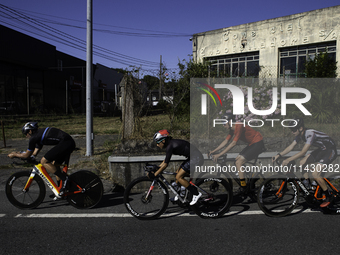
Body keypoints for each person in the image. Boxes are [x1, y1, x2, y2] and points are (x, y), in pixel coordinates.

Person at [272, 118, 337, 208]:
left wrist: (288, 160)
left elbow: (303, 152)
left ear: (301, 128)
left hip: (330, 150)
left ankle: (329, 196)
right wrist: (279, 155)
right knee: (302, 162)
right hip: (322, 150)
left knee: (315, 173)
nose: (292, 132)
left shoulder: (310, 133)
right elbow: (291, 146)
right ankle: (308, 186)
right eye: (291, 130)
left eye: (294, 129)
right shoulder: (299, 134)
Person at [8, 122, 76, 195]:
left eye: (26, 133)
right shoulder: (38, 136)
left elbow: (27, 155)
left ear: (30, 131)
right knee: (55, 165)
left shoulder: (34, 137)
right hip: (68, 142)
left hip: (66, 143)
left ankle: (65, 179)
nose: (26, 136)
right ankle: (61, 189)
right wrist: (25, 155)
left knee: (44, 161)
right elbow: (33, 153)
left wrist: (14, 154)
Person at [209, 113, 265, 194]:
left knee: (239, 162)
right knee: (236, 160)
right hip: (251, 144)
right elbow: (226, 141)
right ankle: (250, 179)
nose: (223, 125)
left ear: (230, 121)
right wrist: (213, 151)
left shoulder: (239, 126)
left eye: (224, 123)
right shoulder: (232, 129)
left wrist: (219, 154)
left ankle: (243, 187)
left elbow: (233, 143)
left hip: (257, 143)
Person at [150, 130, 204, 205]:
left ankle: (196, 193)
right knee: (177, 173)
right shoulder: (170, 144)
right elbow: (165, 160)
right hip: (192, 157)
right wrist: (158, 168)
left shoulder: (170, 146)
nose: (157, 145)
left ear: (163, 141)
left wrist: (155, 174)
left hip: (196, 158)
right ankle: (181, 195)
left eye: (158, 142)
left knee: (179, 177)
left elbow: (165, 164)